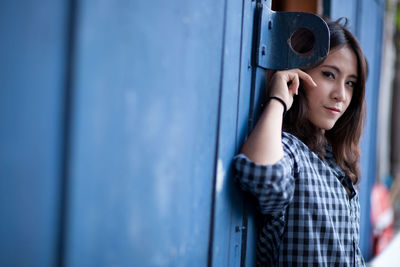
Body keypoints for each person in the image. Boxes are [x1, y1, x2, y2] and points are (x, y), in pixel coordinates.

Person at [233, 18, 368, 266]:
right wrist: (279, 99)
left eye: (350, 83)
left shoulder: (336, 163)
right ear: (298, 73)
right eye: (329, 75)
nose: (341, 94)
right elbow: (264, 177)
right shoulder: (289, 150)